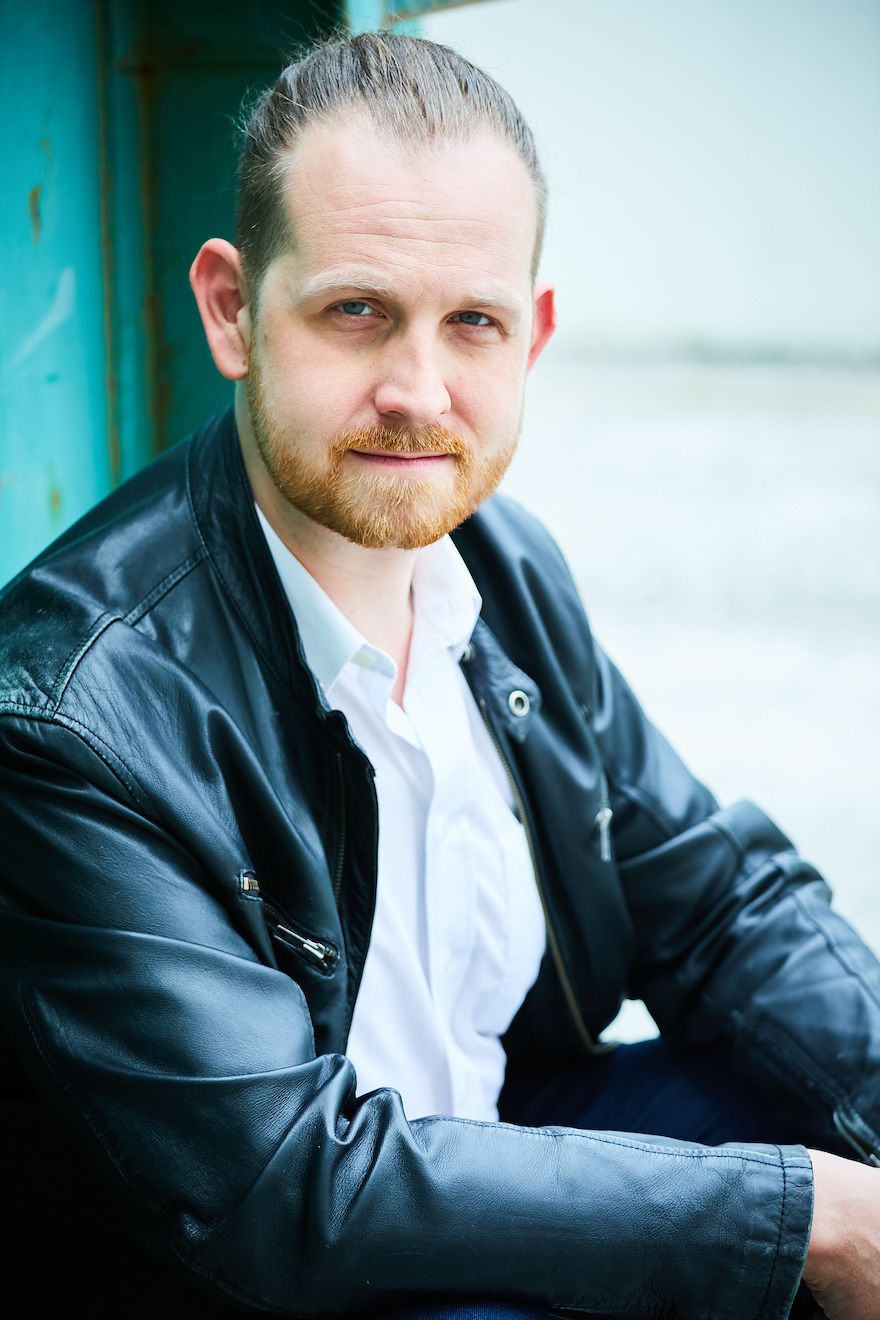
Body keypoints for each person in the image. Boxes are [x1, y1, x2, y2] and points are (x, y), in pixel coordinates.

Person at [0, 30, 878, 1320]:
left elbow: (718, 906)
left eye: (473, 323)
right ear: (232, 310)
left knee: (825, 1132)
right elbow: (285, 1193)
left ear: (534, 337)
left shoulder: (500, 569)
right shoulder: (72, 712)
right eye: (356, 312)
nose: (420, 391)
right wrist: (804, 1225)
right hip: (278, 1269)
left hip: (485, 1148)